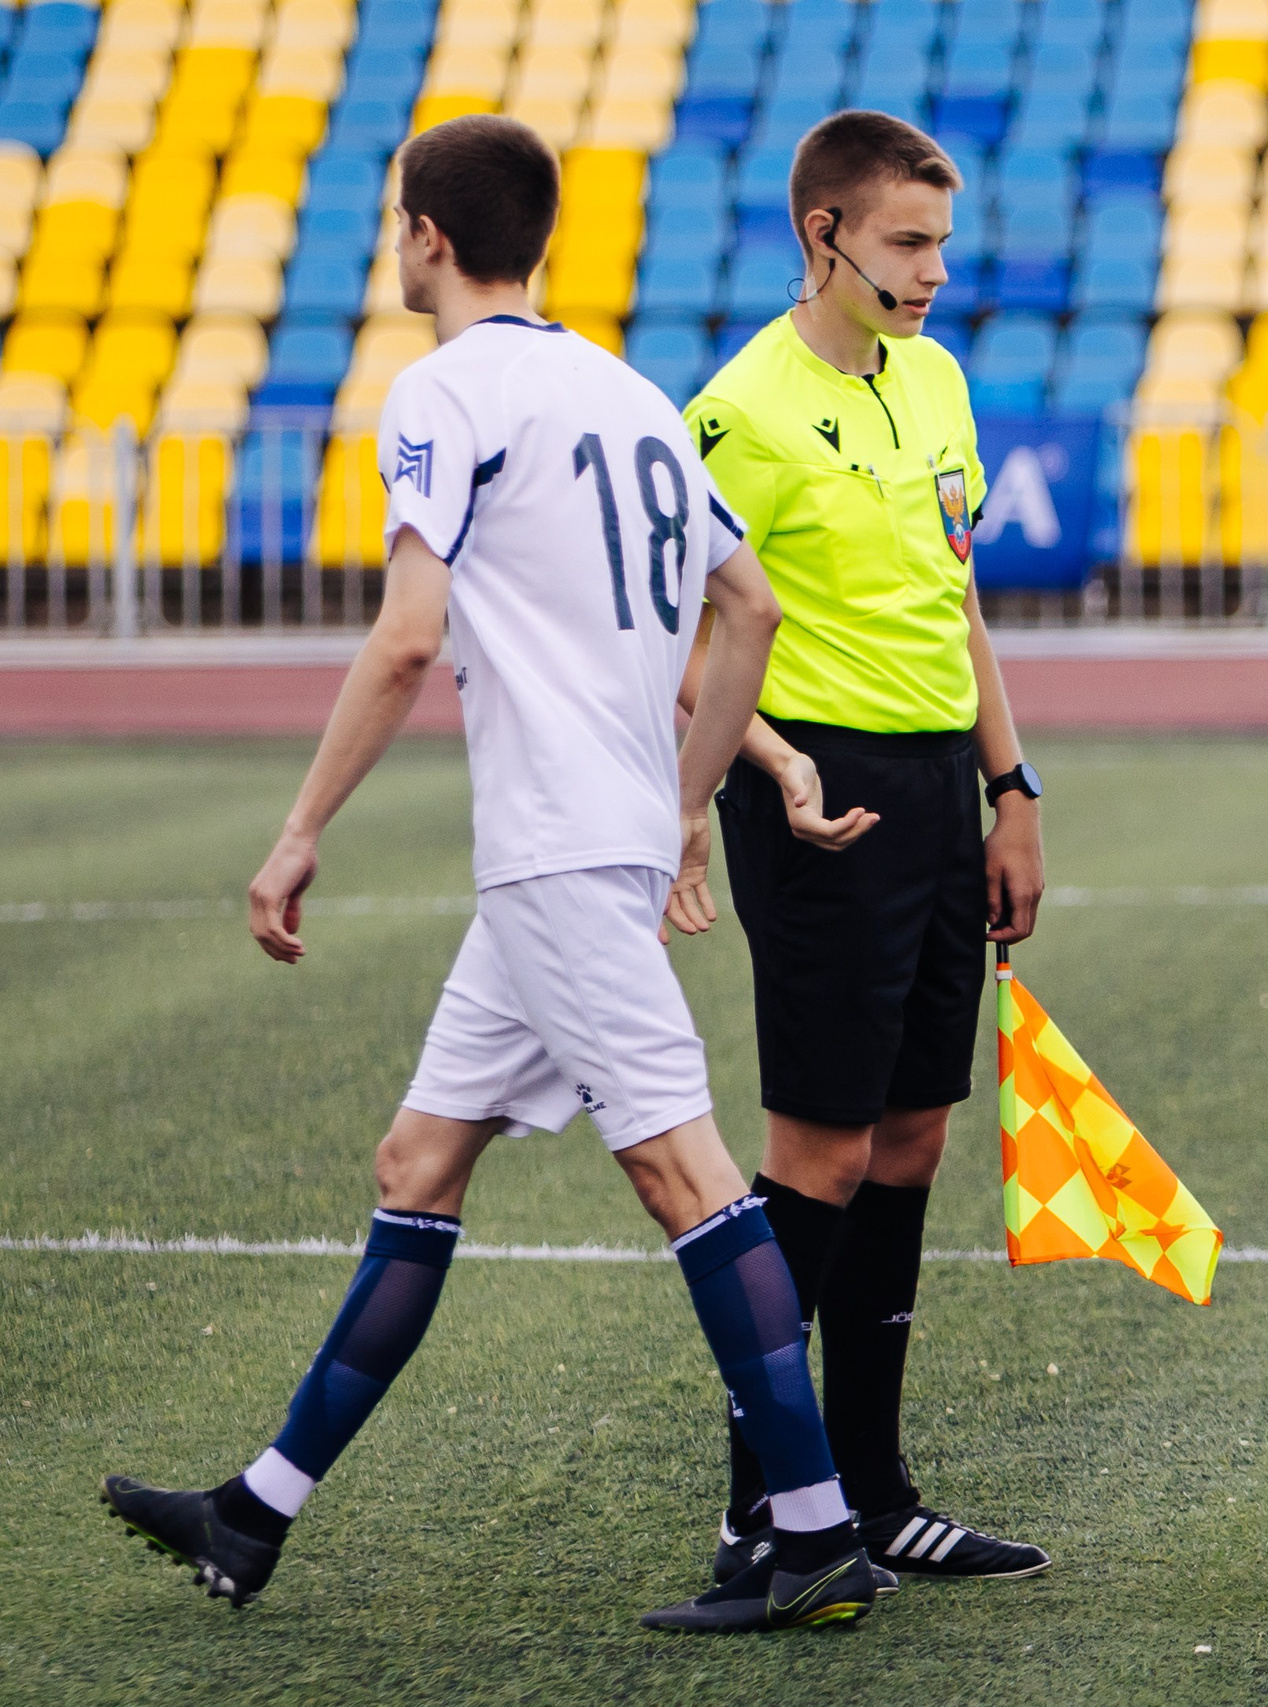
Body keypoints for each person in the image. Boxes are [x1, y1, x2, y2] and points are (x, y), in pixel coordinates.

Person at [99, 116, 878, 1634]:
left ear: (429, 237)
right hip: (587, 842)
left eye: (399, 228)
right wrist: (683, 796)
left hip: (552, 849)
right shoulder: (628, 394)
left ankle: (816, 1532)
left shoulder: (446, 390)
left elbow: (407, 637)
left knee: (685, 1174)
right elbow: (751, 607)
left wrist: (299, 829)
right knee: (418, 1164)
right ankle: (256, 1510)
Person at [669, 109, 1051, 1599]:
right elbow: (692, 640)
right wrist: (764, 766)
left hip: (940, 789)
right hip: (817, 799)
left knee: (912, 1141)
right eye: (907, 242)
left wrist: (1010, 787)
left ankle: (875, 1494)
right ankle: (763, 1513)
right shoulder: (737, 413)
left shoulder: (934, 378)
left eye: (943, 242)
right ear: (820, 234)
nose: (934, 271)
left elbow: (959, 604)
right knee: (818, 1153)